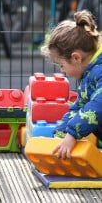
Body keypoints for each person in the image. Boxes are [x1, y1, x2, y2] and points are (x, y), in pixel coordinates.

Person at [41, 10, 102, 160]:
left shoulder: (99, 71)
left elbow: (97, 106)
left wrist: (72, 135)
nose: (62, 71)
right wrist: (60, 134)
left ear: (76, 58)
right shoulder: (89, 72)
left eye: (61, 65)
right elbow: (79, 107)